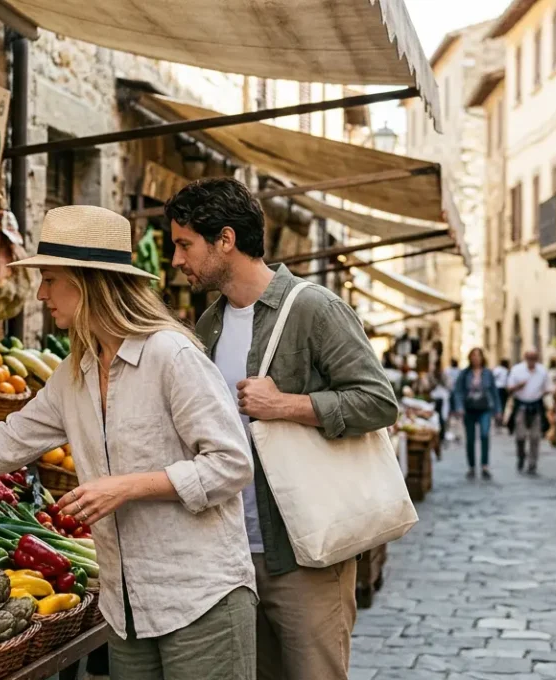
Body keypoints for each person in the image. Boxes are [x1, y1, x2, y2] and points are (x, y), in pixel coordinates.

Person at [0, 206, 258, 679]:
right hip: (126, 606)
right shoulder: (75, 372)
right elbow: (3, 444)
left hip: (200, 599)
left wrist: (125, 487)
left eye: (50, 279)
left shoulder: (171, 355)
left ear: (88, 282)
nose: (39, 293)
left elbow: (231, 464)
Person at [166, 177, 398, 680]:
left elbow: (379, 401)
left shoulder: (315, 309)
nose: (177, 260)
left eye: (184, 244)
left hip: (304, 552)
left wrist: (287, 404)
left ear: (225, 240)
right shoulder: (208, 324)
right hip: (230, 553)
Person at [451, 348, 502, 480]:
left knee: (485, 435)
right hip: (469, 408)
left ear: (482, 358)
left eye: (478, 356)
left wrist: (498, 410)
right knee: (470, 439)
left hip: (484, 408)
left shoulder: (487, 373)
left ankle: (485, 466)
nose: (476, 358)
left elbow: (494, 392)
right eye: (473, 356)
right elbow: (458, 391)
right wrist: (459, 407)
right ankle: (472, 467)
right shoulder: (464, 373)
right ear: (470, 358)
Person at [506, 348, 551, 475]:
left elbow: (548, 387)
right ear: (525, 358)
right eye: (529, 358)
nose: (532, 360)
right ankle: (521, 456)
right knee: (520, 435)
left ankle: (532, 463)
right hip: (521, 405)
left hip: (536, 405)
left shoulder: (542, 371)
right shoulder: (517, 370)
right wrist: (518, 386)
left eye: (534, 358)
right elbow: (509, 388)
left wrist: (544, 392)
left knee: (535, 437)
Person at [492, 359, 511, 426]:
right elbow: (507, 381)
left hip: (497, 388)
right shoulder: (506, 371)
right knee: (502, 404)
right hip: (502, 389)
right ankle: (500, 419)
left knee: (497, 403)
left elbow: (493, 377)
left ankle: (497, 418)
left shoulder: (497, 369)